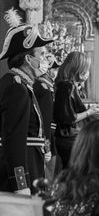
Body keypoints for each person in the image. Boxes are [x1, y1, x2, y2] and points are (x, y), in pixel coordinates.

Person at [0, 9, 53, 193]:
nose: (44, 60)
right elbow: (14, 139)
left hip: (32, 164)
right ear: (28, 59)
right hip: (23, 171)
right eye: (40, 54)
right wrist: (20, 184)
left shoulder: (24, 85)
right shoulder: (16, 87)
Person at [54, 51, 99, 168]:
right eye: (86, 69)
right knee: (75, 174)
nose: (87, 72)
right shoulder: (66, 86)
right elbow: (68, 118)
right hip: (68, 139)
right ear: (78, 68)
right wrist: (90, 112)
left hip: (70, 138)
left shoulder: (69, 85)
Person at [34, 54, 60, 182]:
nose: (55, 72)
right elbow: (45, 119)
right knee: (48, 176)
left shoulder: (47, 85)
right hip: (46, 137)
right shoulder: (43, 87)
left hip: (51, 135)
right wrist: (47, 145)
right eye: (53, 69)